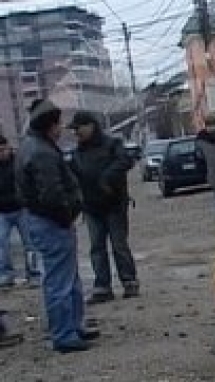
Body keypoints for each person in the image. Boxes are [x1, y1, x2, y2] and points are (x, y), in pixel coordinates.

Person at [14, 98, 99, 353]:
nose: (61, 128)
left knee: (66, 277)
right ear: (49, 125)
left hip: (46, 221)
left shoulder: (32, 146)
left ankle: (72, 327)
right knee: (60, 281)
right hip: (52, 222)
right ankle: (64, 333)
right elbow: (51, 194)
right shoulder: (41, 152)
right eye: (57, 123)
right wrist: (68, 213)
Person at [68, 111, 139, 304]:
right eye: (74, 130)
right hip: (91, 208)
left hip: (114, 204)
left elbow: (125, 161)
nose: (76, 133)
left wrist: (107, 178)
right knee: (97, 248)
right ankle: (102, 286)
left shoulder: (112, 144)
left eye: (78, 128)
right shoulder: (77, 153)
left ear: (91, 126)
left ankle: (129, 281)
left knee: (119, 245)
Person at [0, 135, 41, 288]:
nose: (2, 153)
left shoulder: (19, 162)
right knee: (1, 244)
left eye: (4, 149)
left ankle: (34, 274)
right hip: (2, 211)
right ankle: (5, 274)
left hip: (21, 208)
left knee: (30, 244)